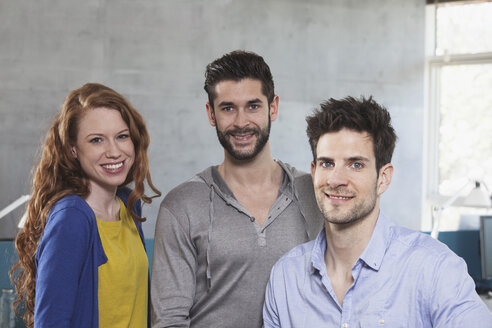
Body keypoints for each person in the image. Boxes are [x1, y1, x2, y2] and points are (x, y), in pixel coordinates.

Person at [263, 96, 492, 327]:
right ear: (314, 172)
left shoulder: (434, 269)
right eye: (327, 163)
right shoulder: (286, 278)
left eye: (356, 165)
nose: (336, 179)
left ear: (383, 178)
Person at [151, 50, 323, 328]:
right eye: (228, 108)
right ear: (211, 113)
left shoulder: (314, 194)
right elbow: (169, 321)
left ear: (273, 107)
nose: (241, 122)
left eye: (253, 106)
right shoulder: (181, 206)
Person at [10, 83, 161, 328]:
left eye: (122, 136)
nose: (114, 152)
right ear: (73, 150)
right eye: (97, 140)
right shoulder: (72, 218)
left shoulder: (128, 204)